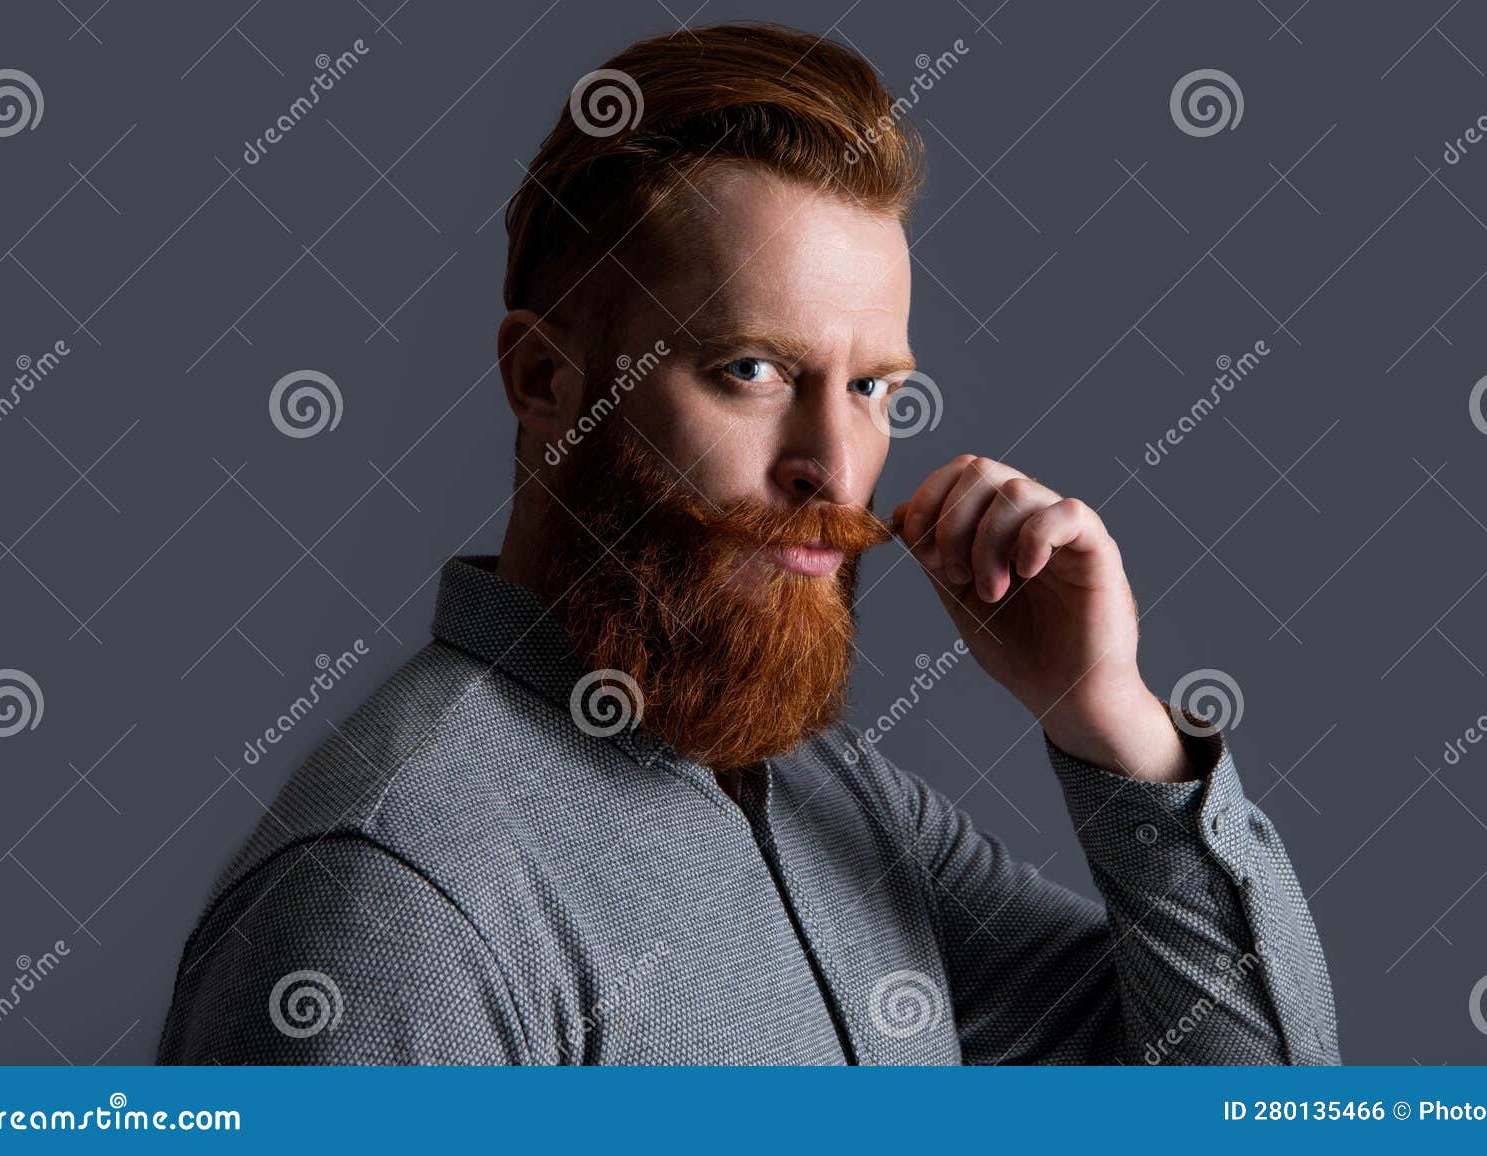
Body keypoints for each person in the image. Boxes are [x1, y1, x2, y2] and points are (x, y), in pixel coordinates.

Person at [157, 22, 1338, 1065]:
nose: (830, 461)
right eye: (750, 371)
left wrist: (1111, 722)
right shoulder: (387, 901)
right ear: (545, 379)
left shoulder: (834, 798)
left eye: (873, 386)